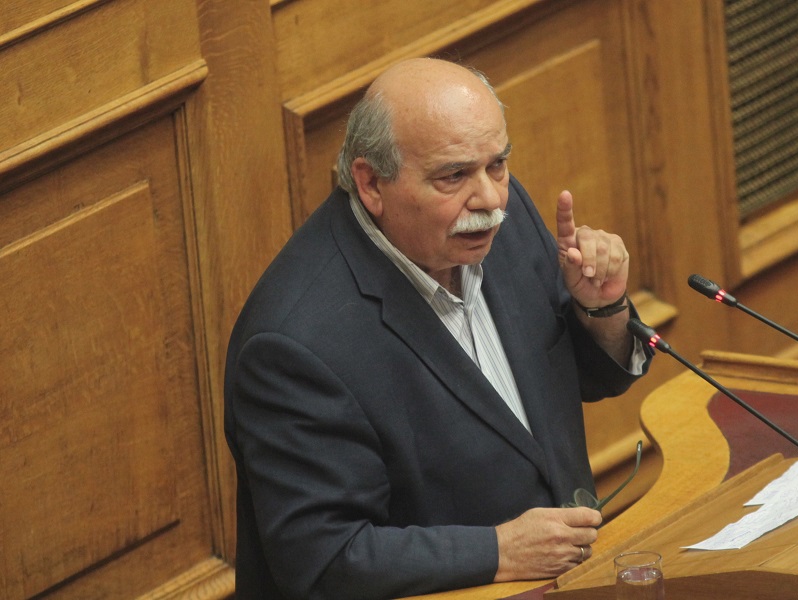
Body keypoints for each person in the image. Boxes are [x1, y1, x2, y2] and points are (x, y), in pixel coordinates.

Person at [224, 57, 651, 599]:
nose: (490, 199)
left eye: (498, 164)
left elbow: (573, 383)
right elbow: (323, 561)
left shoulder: (492, 216)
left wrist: (601, 310)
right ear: (371, 183)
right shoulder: (294, 345)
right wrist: (498, 551)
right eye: (453, 176)